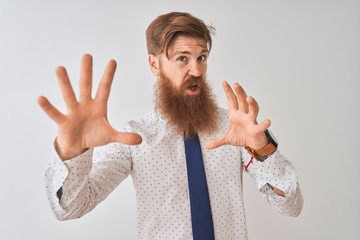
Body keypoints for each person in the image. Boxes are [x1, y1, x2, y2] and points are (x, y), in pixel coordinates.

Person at [38, 12, 303, 240]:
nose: (197, 71)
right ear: (155, 64)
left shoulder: (236, 128)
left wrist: (263, 149)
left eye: (201, 57)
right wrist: (72, 154)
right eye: (182, 59)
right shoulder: (134, 137)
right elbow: (70, 208)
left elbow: (291, 206)